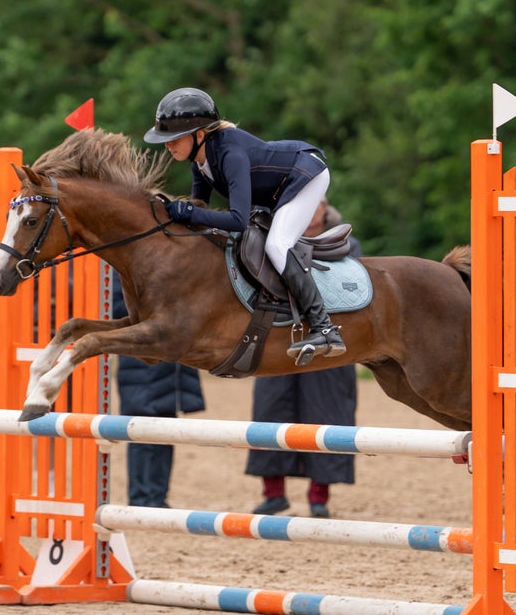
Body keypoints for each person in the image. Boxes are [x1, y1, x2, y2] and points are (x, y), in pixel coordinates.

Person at [143, 86, 345, 366]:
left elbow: (237, 221)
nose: (168, 145)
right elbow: (197, 214)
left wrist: (188, 211)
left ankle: (325, 328)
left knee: (277, 245)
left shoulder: (230, 155)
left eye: (174, 138)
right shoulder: (199, 164)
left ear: (200, 134)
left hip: (306, 174)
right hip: (280, 188)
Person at [245, 199, 361, 518]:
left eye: (318, 204)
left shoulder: (346, 245)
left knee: (327, 415)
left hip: (329, 343)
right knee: (271, 410)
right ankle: (273, 494)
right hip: (282, 337)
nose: (312, 211)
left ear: (325, 207)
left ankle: (319, 498)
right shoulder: (275, 240)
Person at [112, 277, 205, 507]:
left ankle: (158, 497)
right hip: (142, 361)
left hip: (169, 364)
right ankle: (141, 498)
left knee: (166, 432)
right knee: (141, 434)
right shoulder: (123, 268)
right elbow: (118, 309)